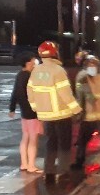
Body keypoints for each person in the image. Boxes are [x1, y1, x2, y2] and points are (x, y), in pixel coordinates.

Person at [26, 40, 81, 182]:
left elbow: (30, 91)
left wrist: (36, 108)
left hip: (45, 115)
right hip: (62, 114)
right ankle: (63, 171)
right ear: (55, 53)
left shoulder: (36, 71)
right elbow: (65, 94)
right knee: (64, 144)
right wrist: (76, 110)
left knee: (51, 143)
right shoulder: (58, 71)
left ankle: (49, 172)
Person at [8, 54, 43, 173]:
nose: (35, 63)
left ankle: (24, 163)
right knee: (33, 139)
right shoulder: (30, 76)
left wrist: (12, 108)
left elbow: (15, 93)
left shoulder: (19, 75)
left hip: (24, 111)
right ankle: (31, 165)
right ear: (28, 63)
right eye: (33, 61)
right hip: (32, 112)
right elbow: (35, 94)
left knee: (25, 137)